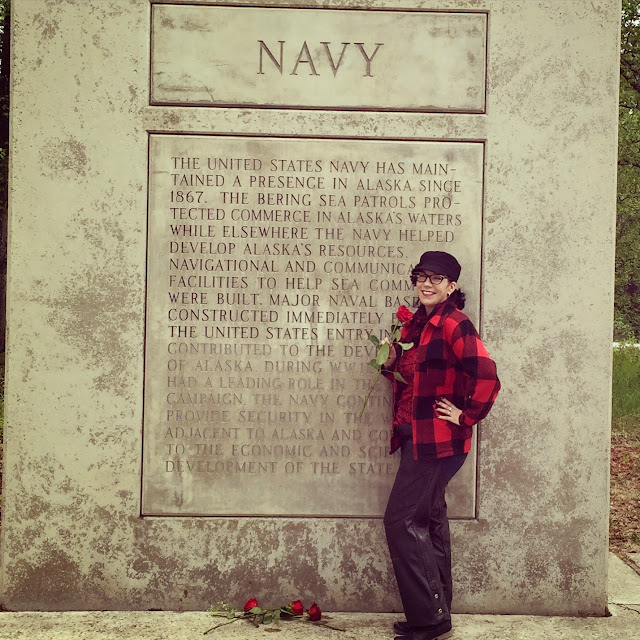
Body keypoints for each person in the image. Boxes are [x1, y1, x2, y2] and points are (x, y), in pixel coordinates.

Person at [382, 251, 500, 640]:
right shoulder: (421, 325)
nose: (427, 284)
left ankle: (430, 620)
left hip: (438, 443)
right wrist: (391, 358)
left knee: (401, 521)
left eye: (437, 278)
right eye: (421, 276)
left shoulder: (454, 323)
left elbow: (487, 374)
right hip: (416, 436)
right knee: (427, 520)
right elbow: (413, 377)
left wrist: (465, 416)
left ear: (451, 286)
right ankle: (435, 613)